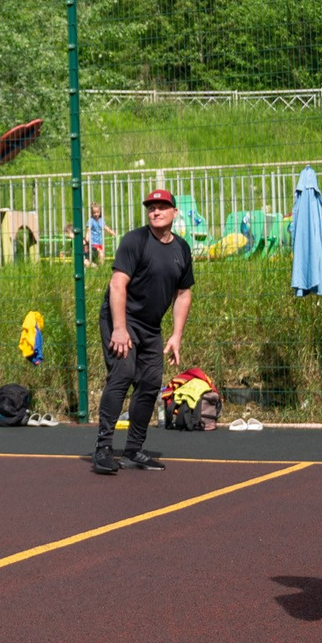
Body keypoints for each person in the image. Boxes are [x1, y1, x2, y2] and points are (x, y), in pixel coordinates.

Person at [90, 188, 192, 475]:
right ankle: (103, 449)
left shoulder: (182, 249)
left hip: (150, 326)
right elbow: (117, 284)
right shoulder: (135, 240)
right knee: (122, 374)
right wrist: (119, 329)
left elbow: (183, 293)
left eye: (162, 207)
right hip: (121, 318)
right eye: (151, 208)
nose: (156, 212)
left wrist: (176, 335)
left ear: (174, 212)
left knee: (149, 383)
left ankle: (133, 450)